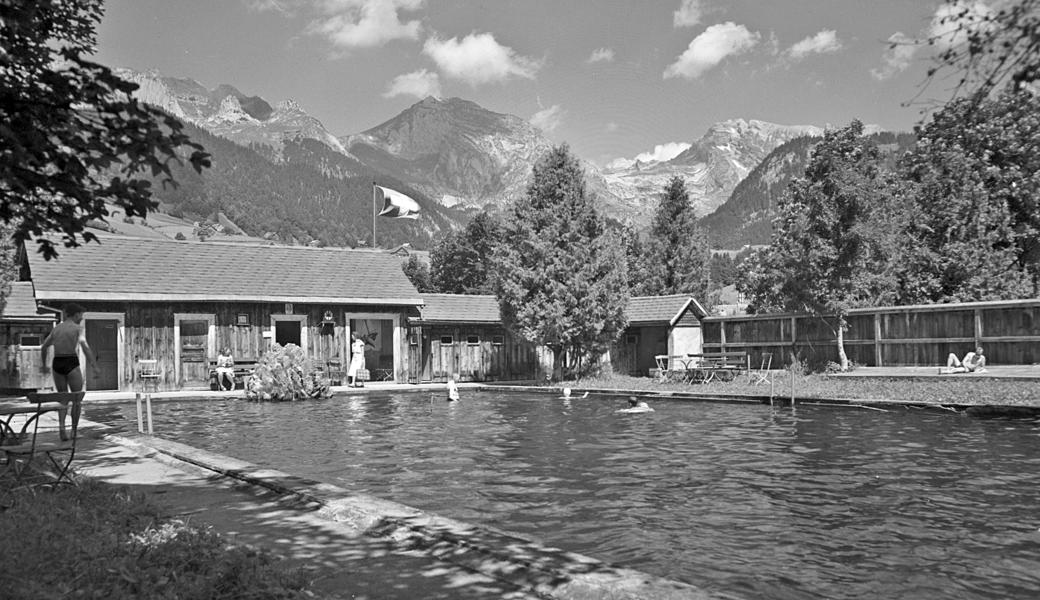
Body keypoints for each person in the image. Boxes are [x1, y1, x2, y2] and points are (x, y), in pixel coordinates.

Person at [39, 303, 94, 440]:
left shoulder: (57, 329)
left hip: (57, 362)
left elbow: (44, 347)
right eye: (81, 315)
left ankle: (62, 429)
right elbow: (85, 347)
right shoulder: (77, 328)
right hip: (71, 361)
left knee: (63, 399)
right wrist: (94, 365)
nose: (82, 318)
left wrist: (44, 365)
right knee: (76, 399)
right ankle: (74, 431)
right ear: (76, 314)